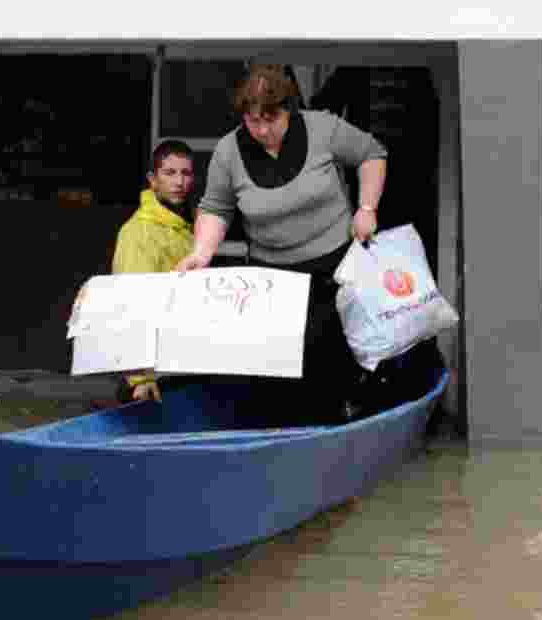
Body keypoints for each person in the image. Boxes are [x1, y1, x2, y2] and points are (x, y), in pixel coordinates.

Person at [175, 63, 419, 427]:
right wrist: (201, 252)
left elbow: (372, 154)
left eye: (269, 119)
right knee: (281, 367)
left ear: (288, 109)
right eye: (252, 121)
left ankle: (348, 425)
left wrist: (367, 208)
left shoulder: (322, 127)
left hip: (337, 264)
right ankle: (292, 434)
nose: (261, 130)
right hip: (274, 276)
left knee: (338, 355)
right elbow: (215, 207)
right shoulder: (229, 152)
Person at [76, 139, 197, 403]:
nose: (179, 182)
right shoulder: (139, 233)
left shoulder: (186, 228)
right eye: (170, 173)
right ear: (153, 180)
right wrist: (140, 379)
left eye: (186, 173)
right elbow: (130, 305)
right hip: (152, 376)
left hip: (179, 361)